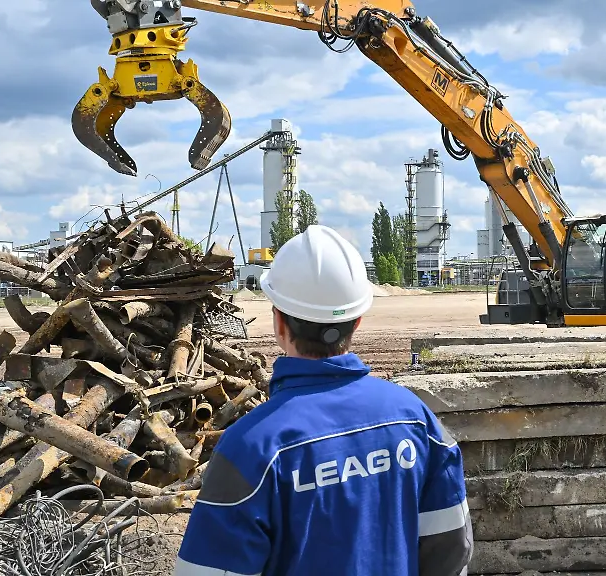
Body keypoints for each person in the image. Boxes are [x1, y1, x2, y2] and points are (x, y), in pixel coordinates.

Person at [174, 224, 473, 576]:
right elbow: (452, 548)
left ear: (279, 324)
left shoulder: (252, 447)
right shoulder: (416, 419)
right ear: (357, 321)